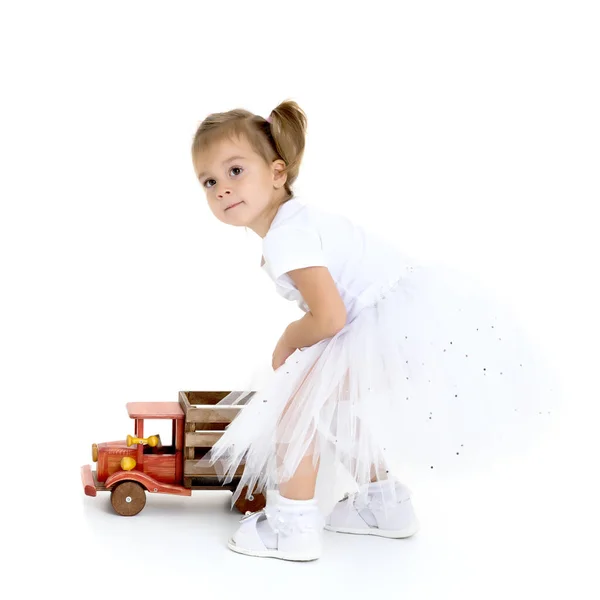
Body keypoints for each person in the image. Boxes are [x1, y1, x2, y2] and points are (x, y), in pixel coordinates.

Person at [190, 99, 562, 561]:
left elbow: (329, 317)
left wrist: (288, 339)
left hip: (383, 328)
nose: (222, 189)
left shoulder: (288, 235)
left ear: (277, 172)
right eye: (209, 181)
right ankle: (385, 506)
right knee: (334, 408)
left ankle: (293, 527)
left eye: (235, 171)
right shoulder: (295, 223)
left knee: (295, 408)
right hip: (401, 326)